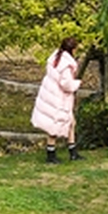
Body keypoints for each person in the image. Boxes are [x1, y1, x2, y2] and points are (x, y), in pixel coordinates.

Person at [30, 35, 83, 163]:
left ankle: (72, 151)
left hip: (50, 94)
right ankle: (51, 155)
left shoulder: (55, 58)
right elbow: (66, 84)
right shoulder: (66, 65)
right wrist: (77, 84)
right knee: (54, 126)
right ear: (73, 49)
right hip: (58, 98)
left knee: (71, 122)